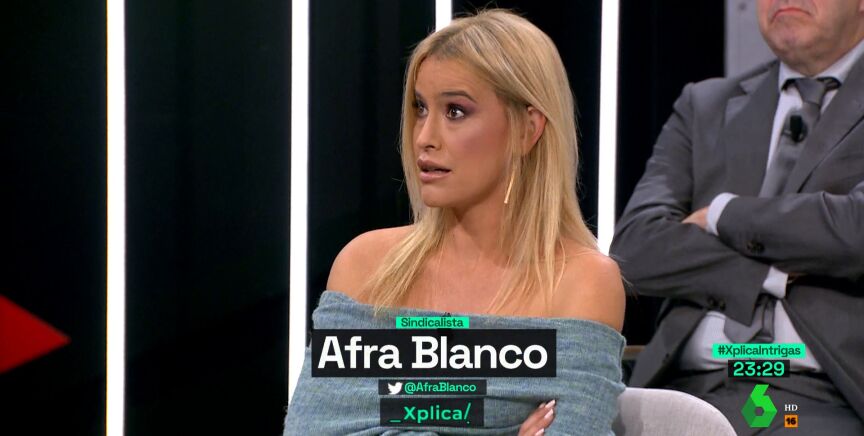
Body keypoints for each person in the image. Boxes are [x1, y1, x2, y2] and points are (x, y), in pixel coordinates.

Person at [285, 9, 626, 435]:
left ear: (527, 129)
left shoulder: (582, 282)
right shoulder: (365, 267)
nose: (424, 137)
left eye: (456, 111)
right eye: (421, 108)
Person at [610, 0, 864, 434]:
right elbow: (635, 248)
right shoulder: (705, 104)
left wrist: (722, 214)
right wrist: (774, 273)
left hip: (820, 395)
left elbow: (856, 229)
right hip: (683, 389)